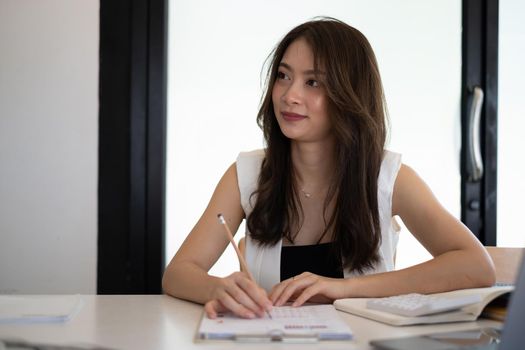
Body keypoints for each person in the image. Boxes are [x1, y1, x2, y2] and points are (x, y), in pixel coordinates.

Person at [162, 17, 495, 319]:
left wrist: (342, 289)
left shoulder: (388, 178)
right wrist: (217, 288)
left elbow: (477, 266)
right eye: (283, 76)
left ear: (350, 95)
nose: (289, 95)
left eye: (313, 82)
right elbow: (177, 273)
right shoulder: (247, 174)